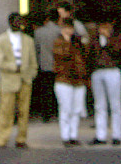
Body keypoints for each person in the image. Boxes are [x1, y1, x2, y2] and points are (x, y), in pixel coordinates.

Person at [0, 12, 38, 149]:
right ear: (10, 22)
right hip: (8, 80)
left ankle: (21, 138)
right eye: (17, 21)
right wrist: (14, 67)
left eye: (21, 21)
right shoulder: (0, 40)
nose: (20, 24)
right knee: (6, 110)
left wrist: (31, 74)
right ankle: (2, 139)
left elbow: (33, 61)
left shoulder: (28, 40)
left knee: (24, 111)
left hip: (25, 79)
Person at [89, 16, 121, 145]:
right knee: (100, 105)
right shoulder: (94, 39)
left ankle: (117, 135)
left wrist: (108, 40)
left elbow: (118, 52)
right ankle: (101, 135)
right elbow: (90, 54)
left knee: (115, 104)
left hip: (113, 70)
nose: (103, 29)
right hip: (98, 71)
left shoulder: (118, 37)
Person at [52, 18, 88, 147]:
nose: (69, 31)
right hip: (63, 79)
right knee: (65, 108)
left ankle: (74, 135)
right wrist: (67, 41)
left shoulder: (77, 42)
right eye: (66, 28)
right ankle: (65, 136)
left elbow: (84, 56)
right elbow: (62, 55)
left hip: (77, 79)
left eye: (70, 28)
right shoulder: (58, 42)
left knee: (76, 109)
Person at [32, 9, 59, 123]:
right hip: (58, 64)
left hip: (44, 63)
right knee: (57, 89)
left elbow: (35, 49)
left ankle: (46, 113)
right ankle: (56, 111)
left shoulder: (39, 32)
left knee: (45, 89)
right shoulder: (59, 31)